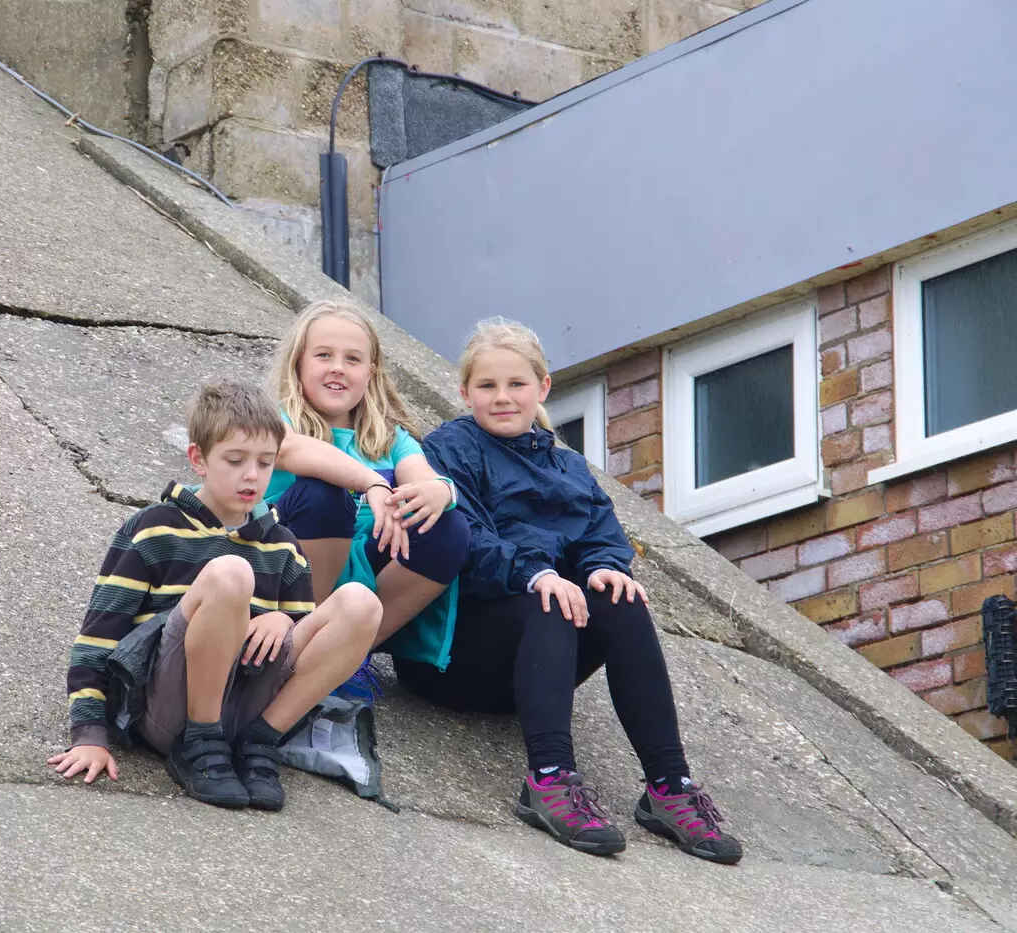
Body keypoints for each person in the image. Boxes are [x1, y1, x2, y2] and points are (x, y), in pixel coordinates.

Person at [398, 318, 744, 864]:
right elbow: (466, 543)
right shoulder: (448, 450)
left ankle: (668, 785)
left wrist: (606, 567)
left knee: (621, 597)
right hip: (454, 659)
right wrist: (540, 575)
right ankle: (550, 778)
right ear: (464, 393)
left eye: (516, 384)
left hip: (535, 666)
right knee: (548, 596)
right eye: (487, 386)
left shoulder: (568, 466)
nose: (503, 397)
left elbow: (599, 538)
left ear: (543, 387)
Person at [50, 380, 382, 811]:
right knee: (231, 574)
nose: (251, 475)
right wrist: (90, 734)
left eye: (265, 463)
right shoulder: (153, 529)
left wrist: (284, 621)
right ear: (199, 459)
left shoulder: (283, 546)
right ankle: (199, 740)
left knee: (361, 602)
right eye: (235, 460)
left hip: (246, 710)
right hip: (167, 709)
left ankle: (261, 741)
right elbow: (97, 638)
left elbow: (306, 642)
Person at [265, 301, 470, 673]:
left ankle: (346, 656)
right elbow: (289, 450)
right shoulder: (276, 421)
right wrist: (372, 483)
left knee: (447, 526)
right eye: (324, 355)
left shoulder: (390, 438)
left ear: (370, 372)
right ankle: (299, 645)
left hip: (363, 565)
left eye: (353, 359)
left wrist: (442, 491)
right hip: (284, 565)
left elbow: (423, 476)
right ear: (298, 363)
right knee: (324, 494)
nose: (338, 368)